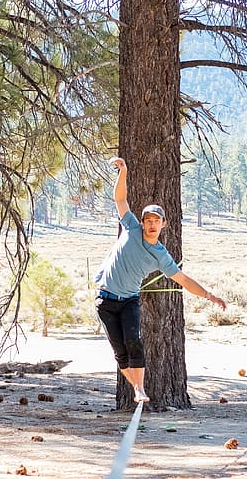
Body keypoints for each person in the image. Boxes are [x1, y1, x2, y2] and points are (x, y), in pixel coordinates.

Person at [95, 157, 227, 403]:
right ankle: (136, 387)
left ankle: (139, 389)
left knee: (134, 341)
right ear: (142, 222)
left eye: (156, 221)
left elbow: (183, 280)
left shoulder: (161, 256)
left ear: (164, 224)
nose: (152, 224)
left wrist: (209, 295)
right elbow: (120, 200)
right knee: (119, 351)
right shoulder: (132, 228)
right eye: (148, 220)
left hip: (129, 301)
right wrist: (123, 171)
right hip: (105, 298)